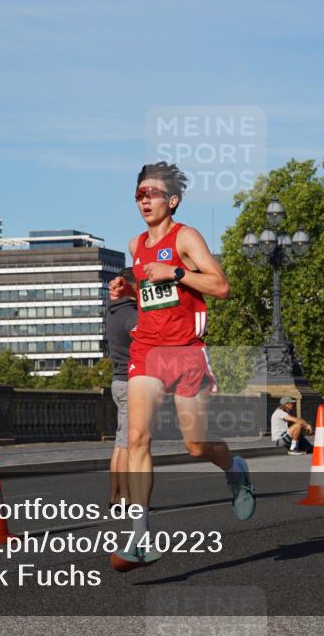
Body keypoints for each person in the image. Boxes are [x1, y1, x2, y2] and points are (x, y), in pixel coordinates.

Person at [108, 161, 255, 572]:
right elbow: (154, 295)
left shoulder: (185, 237)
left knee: (195, 445)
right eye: (138, 195)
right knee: (137, 438)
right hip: (148, 352)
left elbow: (220, 286)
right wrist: (129, 288)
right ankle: (140, 535)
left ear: (171, 200)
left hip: (187, 352)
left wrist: (176, 271)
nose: (144, 201)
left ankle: (235, 468)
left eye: (151, 193)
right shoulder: (136, 246)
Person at [105, 267, 137, 508]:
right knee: (129, 444)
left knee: (119, 443)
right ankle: (127, 498)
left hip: (118, 380)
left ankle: (116, 496)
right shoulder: (131, 315)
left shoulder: (113, 311)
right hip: (131, 382)